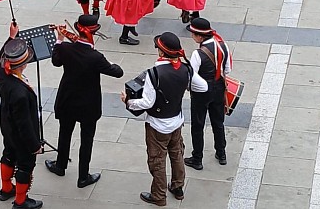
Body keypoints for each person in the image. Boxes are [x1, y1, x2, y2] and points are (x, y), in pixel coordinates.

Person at [121, 32, 207, 207]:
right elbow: (203, 86)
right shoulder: (186, 69)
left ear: (161, 52)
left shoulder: (154, 73)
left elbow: (147, 102)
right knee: (177, 155)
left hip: (157, 125)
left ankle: (159, 196)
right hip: (176, 121)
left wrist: (128, 101)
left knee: (157, 160)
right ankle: (178, 187)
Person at [45, 15, 124, 188]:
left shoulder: (66, 48)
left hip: (67, 100)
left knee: (64, 133)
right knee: (86, 140)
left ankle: (60, 165)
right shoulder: (96, 57)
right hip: (88, 105)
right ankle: (83, 177)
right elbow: (118, 72)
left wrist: (59, 39)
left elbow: (56, 61)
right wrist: (110, 62)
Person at [0, 23, 43, 209]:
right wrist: (34, 146)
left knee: (8, 154)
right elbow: (24, 124)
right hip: (21, 135)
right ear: (23, 65)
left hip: (7, 127)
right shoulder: (20, 94)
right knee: (25, 164)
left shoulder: (1, 73)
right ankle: (21, 201)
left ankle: (6, 188)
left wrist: (11, 37)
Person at [184, 18, 232, 171]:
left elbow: (191, 76)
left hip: (201, 92)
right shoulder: (223, 45)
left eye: (193, 34)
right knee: (218, 122)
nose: (192, 36)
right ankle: (221, 153)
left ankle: (197, 158)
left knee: (198, 125)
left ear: (200, 36)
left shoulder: (198, 54)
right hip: (219, 88)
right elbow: (228, 70)